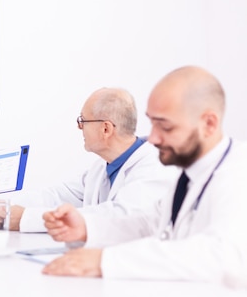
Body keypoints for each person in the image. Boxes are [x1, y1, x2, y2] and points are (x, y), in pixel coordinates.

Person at [41, 66, 247, 285]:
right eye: (153, 123)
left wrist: (106, 261)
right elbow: (151, 223)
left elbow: (223, 256)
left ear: (209, 124)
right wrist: (86, 227)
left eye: (165, 127)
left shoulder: (237, 175)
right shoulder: (190, 174)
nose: (153, 138)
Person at [0, 87, 177, 232]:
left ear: (105, 128)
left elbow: (119, 217)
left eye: (83, 121)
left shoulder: (154, 167)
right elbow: (55, 196)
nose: (80, 128)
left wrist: (24, 218)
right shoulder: (102, 168)